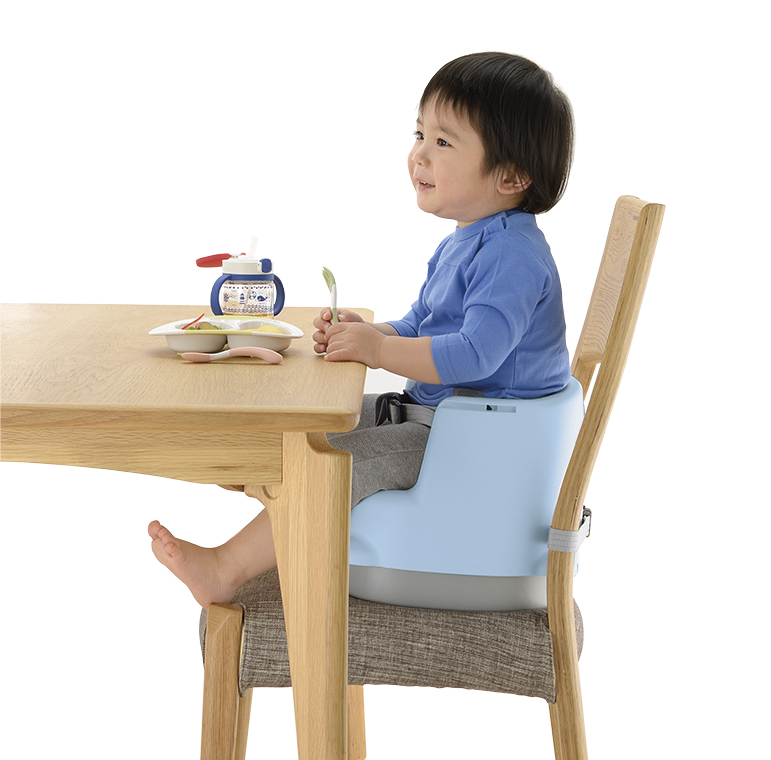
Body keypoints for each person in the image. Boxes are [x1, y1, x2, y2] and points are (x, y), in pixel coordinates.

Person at [148, 51, 574, 607]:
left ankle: (227, 568)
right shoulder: (468, 240)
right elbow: (422, 324)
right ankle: (271, 484)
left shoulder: (511, 256)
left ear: (512, 175)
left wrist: (377, 350)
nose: (419, 154)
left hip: (472, 450)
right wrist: (372, 334)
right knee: (305, 425)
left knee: (330, 468)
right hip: (443, 424)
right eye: (419, 134)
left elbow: (475, 355)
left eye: (443, 142)